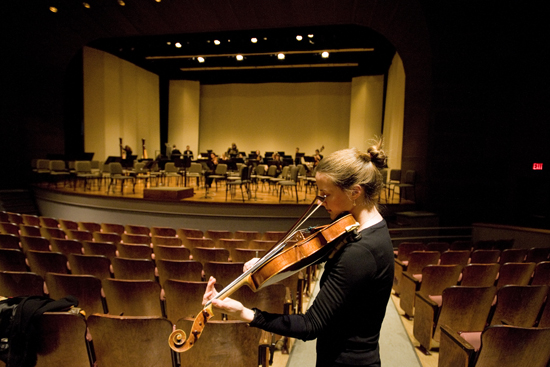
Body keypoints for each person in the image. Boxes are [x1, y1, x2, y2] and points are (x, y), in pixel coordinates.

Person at [203, 141, 394, 367]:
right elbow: (313, 255)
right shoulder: (365, 230)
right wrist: (269, 262)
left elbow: (310, 324)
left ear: (355, 192)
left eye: (325, 194)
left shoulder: (361, 251)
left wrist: (245, 313)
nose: (319, 202)